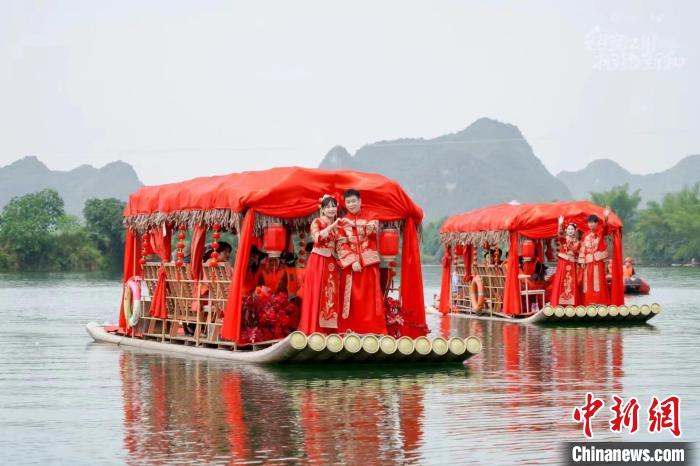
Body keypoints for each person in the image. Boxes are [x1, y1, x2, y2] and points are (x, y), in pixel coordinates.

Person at [336, 189, 386, 334]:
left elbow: (372, 231)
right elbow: (341, 244)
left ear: (360, 201)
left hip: (369, 264)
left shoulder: (372, 216)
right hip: (351, 267)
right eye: (348, 202)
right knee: (351, 301)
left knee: (371, 300)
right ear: (345, 204)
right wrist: (352, 261)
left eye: (353, 201)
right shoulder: (342, 222)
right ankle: (348, 331)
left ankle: (374, 332)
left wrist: (352, 224)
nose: (351, 204)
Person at [298, 194, 341, 333]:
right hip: (318, 261)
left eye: (333, 206)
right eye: (327, 207)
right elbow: (317, 237)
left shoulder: (337, 227)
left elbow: (338, 246)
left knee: (330, 293)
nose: (331, 209)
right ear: (322, 209)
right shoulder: (317, 222)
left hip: (331, 262)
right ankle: (314, 330)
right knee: (317, 292)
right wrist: (332, 226)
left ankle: (329, 331)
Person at [579, 210, 611, 305]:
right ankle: (588, 302)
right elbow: (582, 249)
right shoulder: (585, 235)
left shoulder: (601, 232)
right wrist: (581, 261)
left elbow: (606, 228)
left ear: (597, 223)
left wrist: (605, 218)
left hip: (598, 261)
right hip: (588, 261)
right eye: (589, 222)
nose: (591, 224)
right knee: (588, 282)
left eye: (593, 222)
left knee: (599, 281)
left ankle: (600, 301)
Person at [550, 217, 581, 306]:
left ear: (575, 231)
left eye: (572, 229)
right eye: (569, 229)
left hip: (571, 263)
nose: (570, 230)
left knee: (571, 282)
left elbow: (575, 251)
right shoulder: (563, 239)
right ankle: (559, 303)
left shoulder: (577, 242)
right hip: (563, 263)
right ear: (566, 230)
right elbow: (560, 235)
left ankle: (571, 304)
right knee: (562, 280)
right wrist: (560, 224)